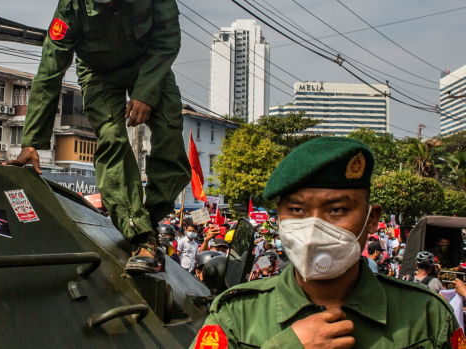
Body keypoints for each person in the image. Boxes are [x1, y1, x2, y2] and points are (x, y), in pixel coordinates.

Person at [6, 0, 190, 274]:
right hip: (99, 74)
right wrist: (32, 143)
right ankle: (141, 236)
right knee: (111, 140)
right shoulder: (71, 5)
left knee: (171, 146)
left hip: (149, 67)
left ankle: (142, 221)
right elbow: (49, 72)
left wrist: (145, 92)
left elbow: (168, 40)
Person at [191, 137, 461, 348]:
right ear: (280, 217)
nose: (313, 229)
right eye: (297, 210)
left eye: (336, 210)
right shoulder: (237, 315)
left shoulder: (424, 315)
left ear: (371, 219)